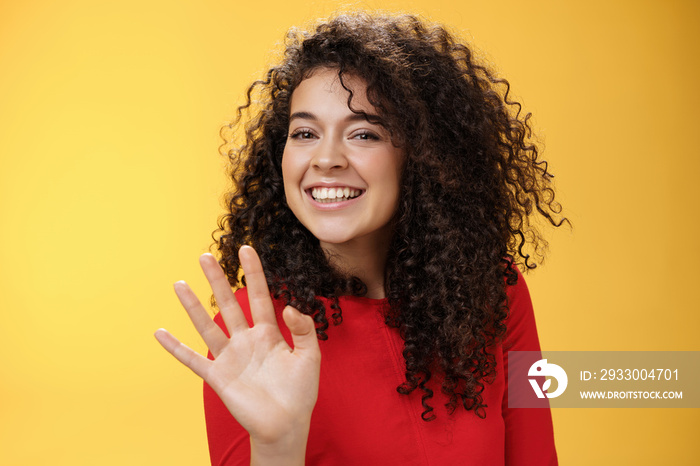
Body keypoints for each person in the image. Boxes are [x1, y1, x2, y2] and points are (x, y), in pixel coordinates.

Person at [155, 12, 566, 466]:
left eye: (364, 133)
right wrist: (277, 446)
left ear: (426, 157)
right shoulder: (253, 337)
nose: (326, 158)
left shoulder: (497, 295)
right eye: (305, 133)